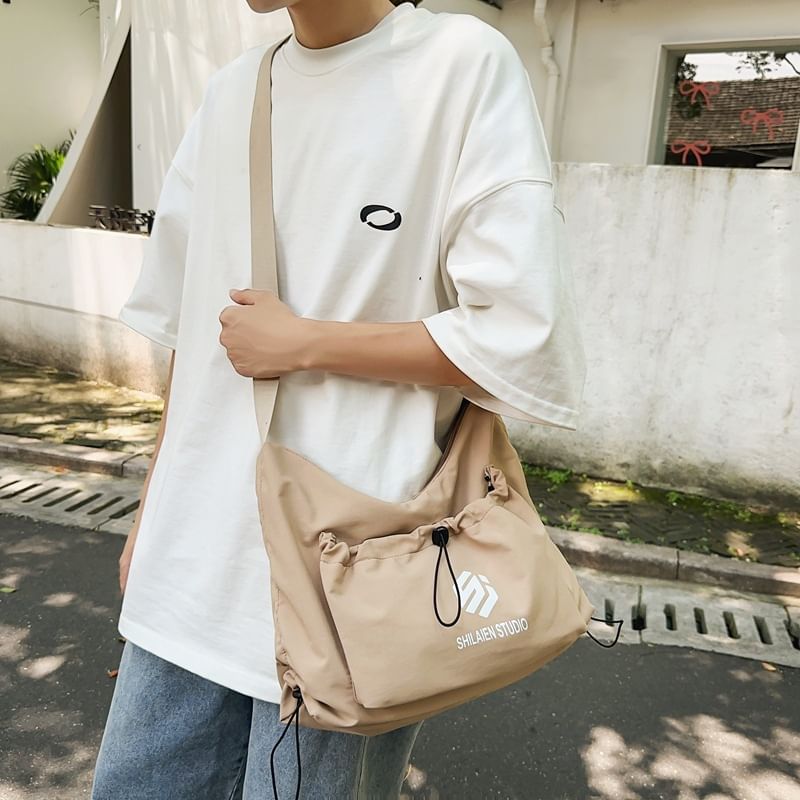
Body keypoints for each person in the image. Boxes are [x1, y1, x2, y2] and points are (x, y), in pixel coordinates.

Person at [91, 0, 587, 797]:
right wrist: (152, 512)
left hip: (351, 579)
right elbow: (193, 329)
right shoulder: (231, 93)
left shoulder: (459, 66)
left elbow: (520, 339)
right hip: (188, 566)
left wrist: (307, 342)